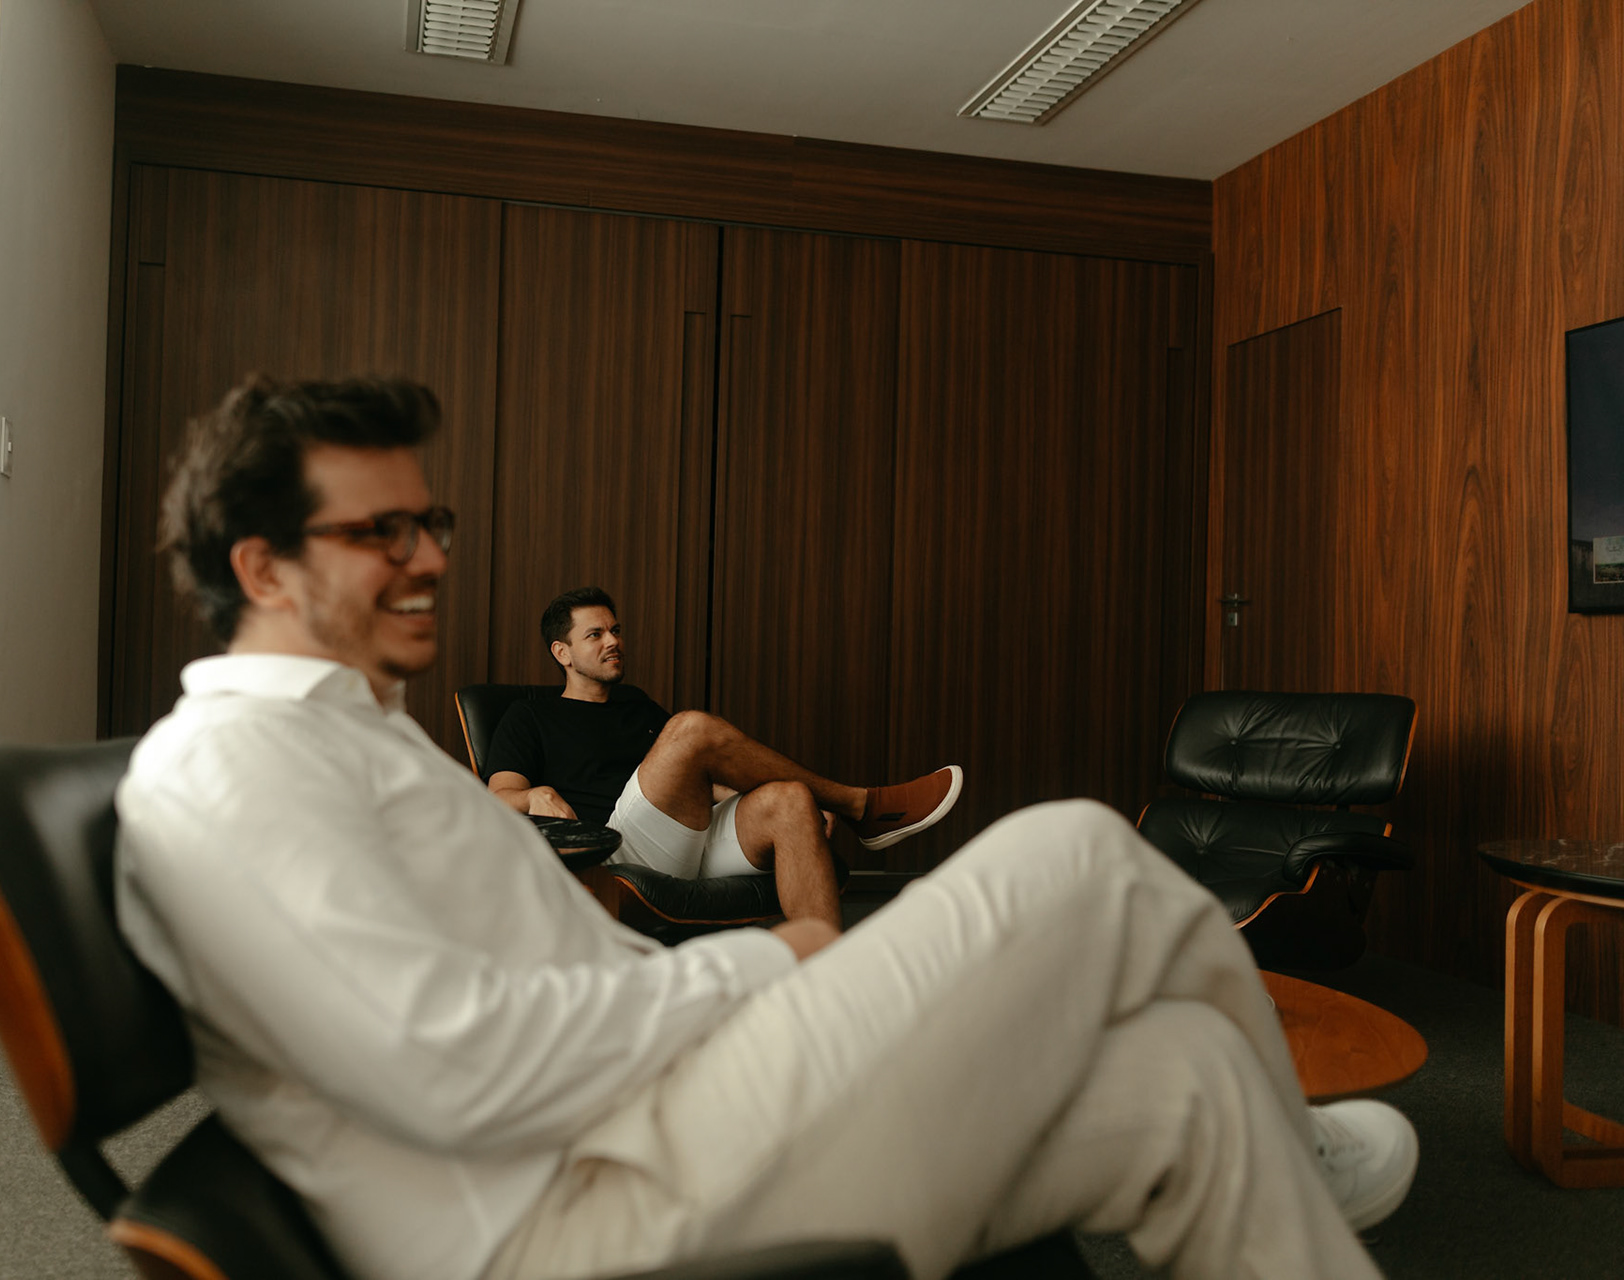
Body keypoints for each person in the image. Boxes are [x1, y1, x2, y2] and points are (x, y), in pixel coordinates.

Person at [115, 374, 1418, 1280]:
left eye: (431, 522)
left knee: (1186, 1076)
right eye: (382, 530)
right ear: (262, 566)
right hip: (581, 1209)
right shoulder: (230, 771)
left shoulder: (349, 739)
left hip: (645, 1123)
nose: (432, 558)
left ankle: (1278, 1145)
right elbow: (456, 1065)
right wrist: (769, 963)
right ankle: (1304, 1146)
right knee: (1074, 854)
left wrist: (744, 985)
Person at [482, 586, 962, 925]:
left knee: (790, 800)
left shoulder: (636, 704)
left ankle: (823, 979)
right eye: (595, 635)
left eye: (616, 630)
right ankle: (859, 805)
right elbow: (498, 795)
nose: (614, 641)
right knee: (691, 728)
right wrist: (533, 795)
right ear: (562, 653)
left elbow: (695, 781)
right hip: (617, 849)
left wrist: (747, 798)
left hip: (684, 837)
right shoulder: (530, 715)